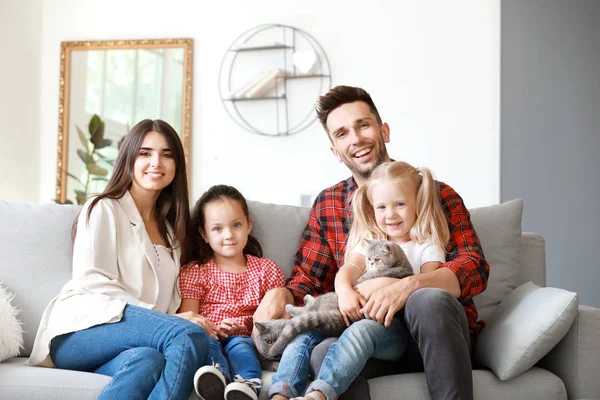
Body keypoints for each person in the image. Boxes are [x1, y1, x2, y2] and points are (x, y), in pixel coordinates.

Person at [253, 85, 490, 400]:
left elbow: (474, 267)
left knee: (426, 299)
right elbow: (311, 280)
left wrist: (409, 286)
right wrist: (282, 294)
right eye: (341, 134)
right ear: (335, 151)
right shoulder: (329, 204)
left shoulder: (433, 192)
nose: (356, 139)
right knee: (324, 350)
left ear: (384, 130)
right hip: (377, 335)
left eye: (363, 125)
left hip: (434, 334)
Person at [27, 119, 212, 400]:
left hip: (133, 341)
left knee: (148, 361)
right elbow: (93, 281)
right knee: (187, 335)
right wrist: (165, 320)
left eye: (167, 154)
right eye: (145, 153)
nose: (156, 162)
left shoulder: (173, 230)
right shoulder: (103, 207)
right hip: (81, 330)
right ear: (129, 158)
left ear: (177, 165)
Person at [179, 185, 286, 400]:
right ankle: (216, 377)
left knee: (241, 348)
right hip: (208, 334)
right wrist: (215, 328)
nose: (228, 235)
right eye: (217, 229)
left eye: (236, 225)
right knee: (206, 343)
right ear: (204, 234)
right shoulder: (195, 271)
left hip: (245, 337)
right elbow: (189, 318)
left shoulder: (265, 269)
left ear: (248, 225)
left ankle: (246, 386)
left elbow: (277, 318)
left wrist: (245, 328)